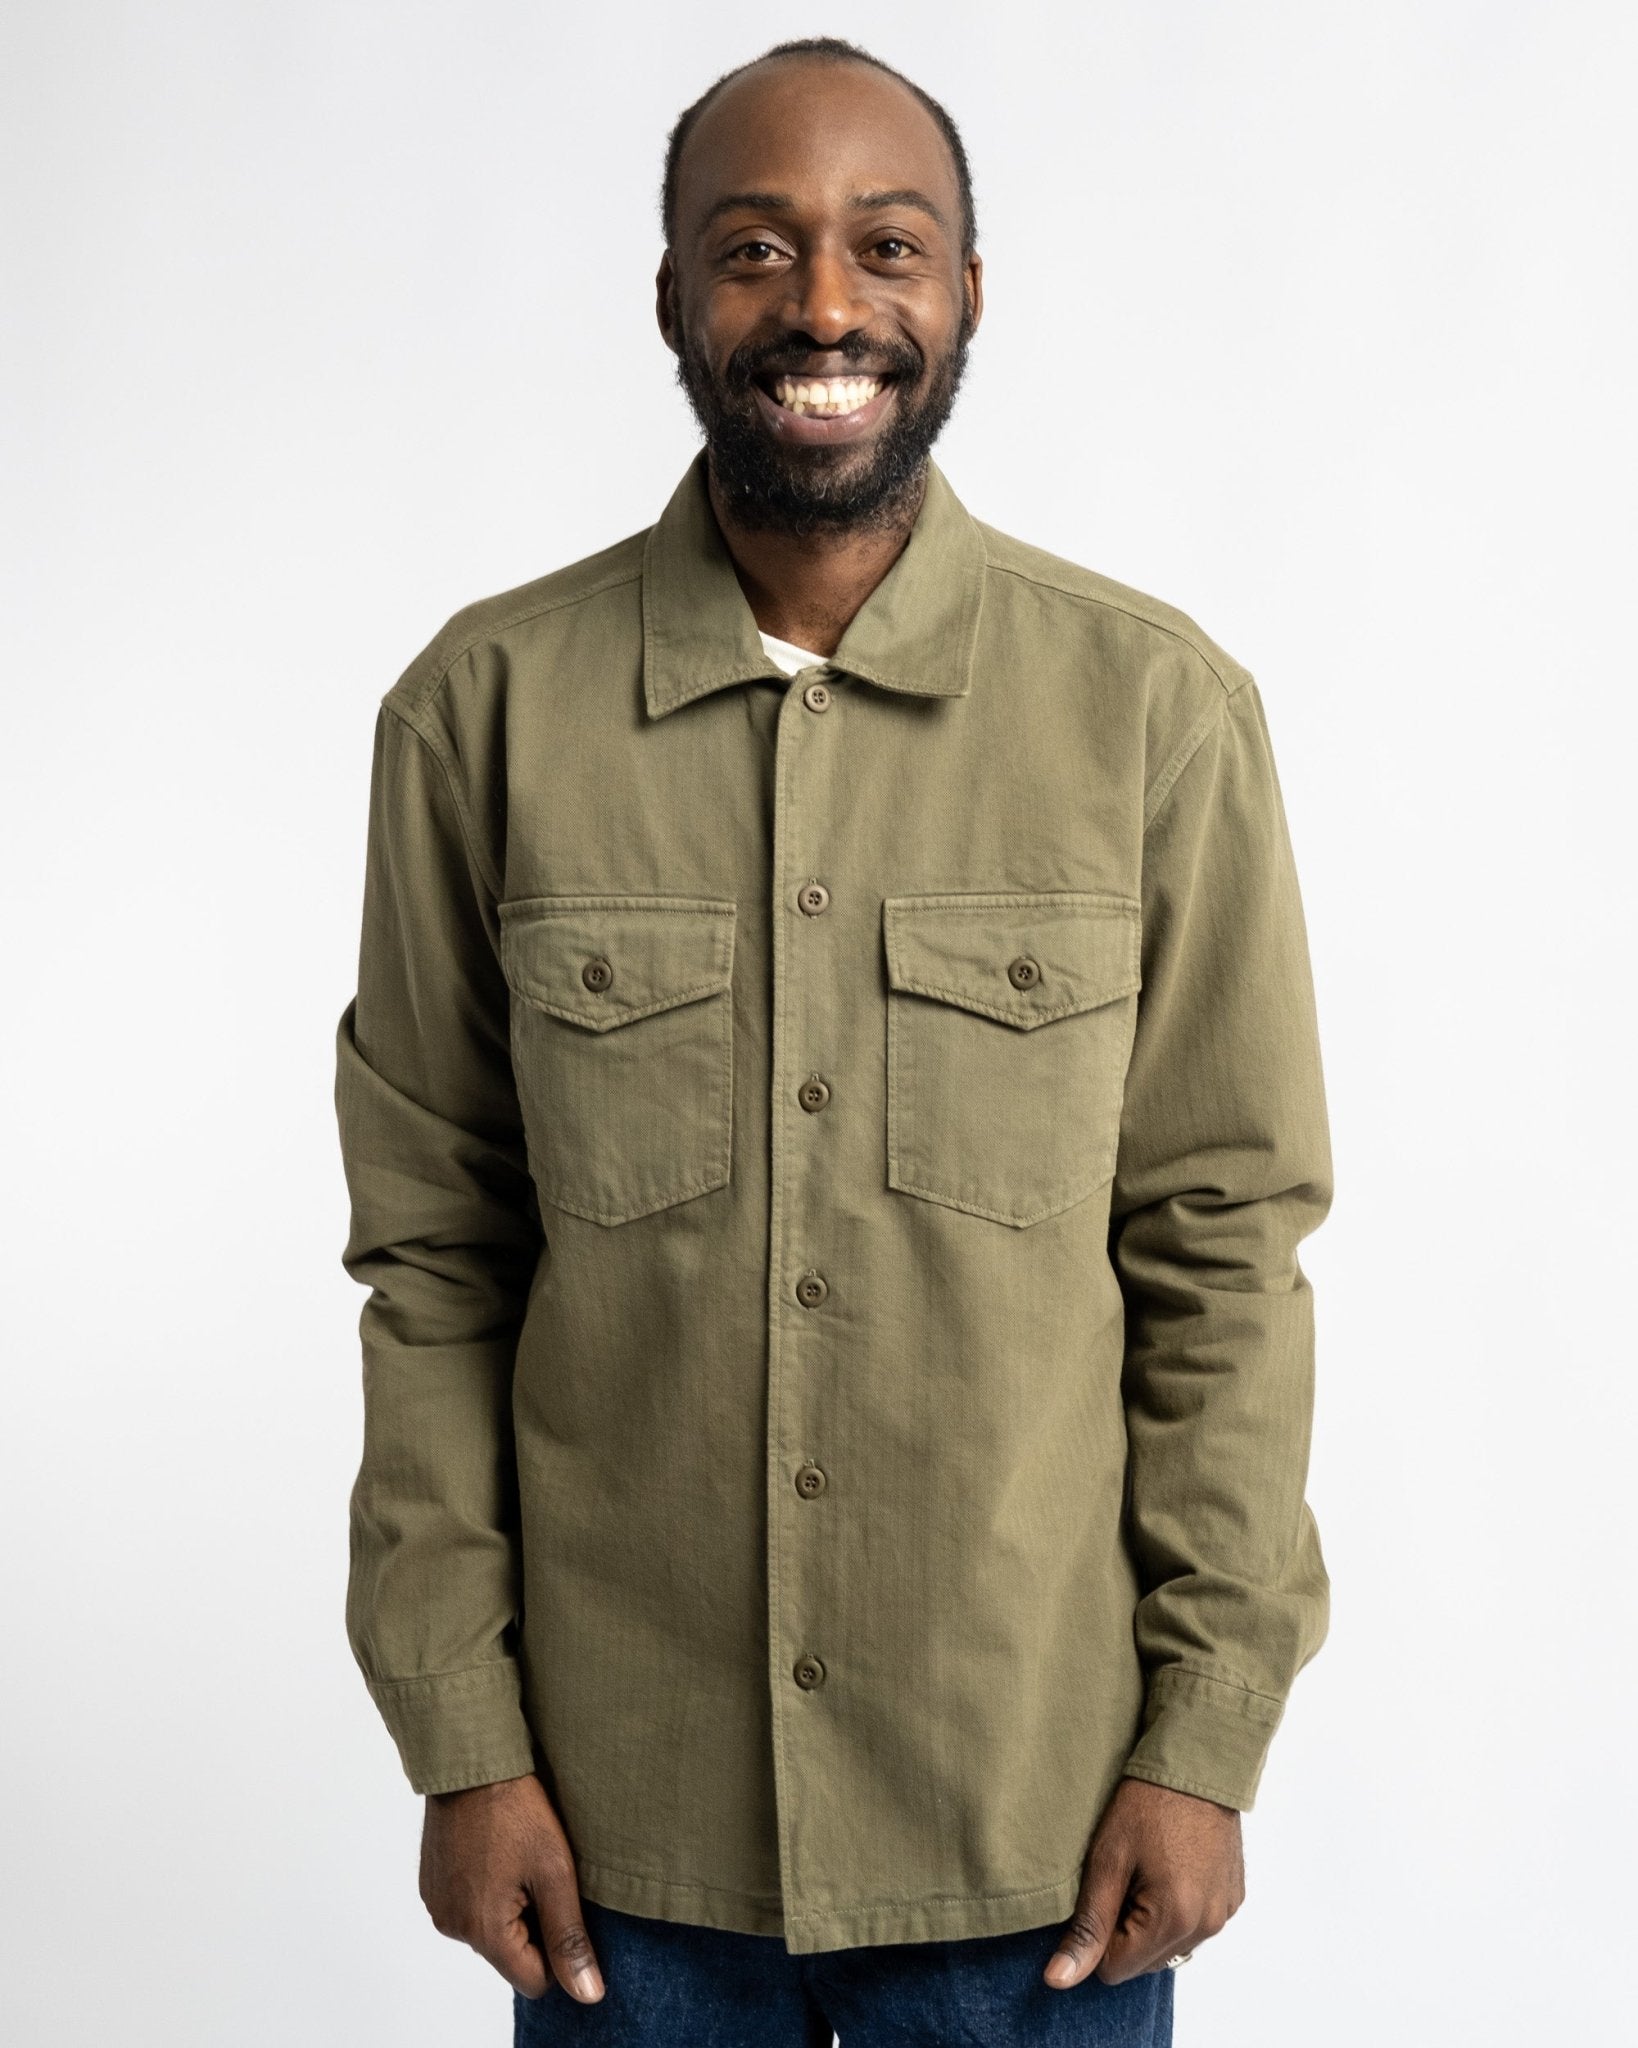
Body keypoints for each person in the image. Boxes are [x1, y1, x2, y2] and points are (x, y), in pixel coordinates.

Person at [332, 35, 1332, 2047]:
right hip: (617, 1843)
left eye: (887, 244)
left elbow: (1221, 1253)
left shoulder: (1153, 713)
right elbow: (435, 1260)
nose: (822, 305)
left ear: (965, 292)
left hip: (1035, 1833)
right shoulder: (482, 713)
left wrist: (1207, 1735)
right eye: (752, 247)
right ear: (672, 299)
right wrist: (461, 1736)